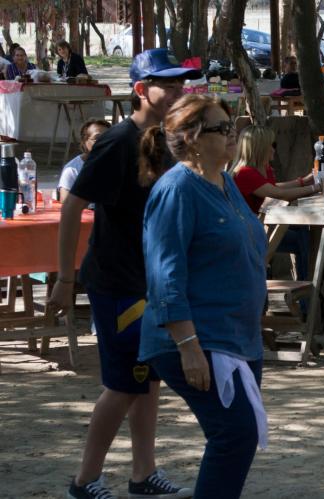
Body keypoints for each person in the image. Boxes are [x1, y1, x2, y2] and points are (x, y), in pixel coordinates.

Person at [47, 47, 198, 499]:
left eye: (180, 84)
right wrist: (65, 277)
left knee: (146, 379)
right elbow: (72, 206)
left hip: (148, 281)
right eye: (167, 84)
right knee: (122, 385)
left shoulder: (166, 142)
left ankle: (142, 473)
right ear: (140, 90)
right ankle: (85, 479)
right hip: (117, 283)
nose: (177, 91)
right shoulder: (117, 141)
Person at [139, 94, 266, 499]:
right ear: (191, 139)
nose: (233, 136)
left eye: (232, 127)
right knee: (234, 435)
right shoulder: (176, 189)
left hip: (237, 338)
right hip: (197, 339)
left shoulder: (226, 181)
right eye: (221, 129)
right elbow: (165, 273)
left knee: (237, 438)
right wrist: (189, 345)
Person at [231, 125, 317, 280]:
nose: (274, 148)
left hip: (263, 226)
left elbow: (271, 188)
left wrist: (303, 181)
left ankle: (306, 286)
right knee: (303, 240)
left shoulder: (263, 168)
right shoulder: (245, 173)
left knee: (303, 232)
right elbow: (279, 194)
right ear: (260, 148)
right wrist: (315, 188)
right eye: (272, 144)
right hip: (250, 235)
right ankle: (307, 292)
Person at [59, 119, 110, 201]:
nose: (104, 141)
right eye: (97, 138)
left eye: (108, 137)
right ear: (84, 141)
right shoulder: (72, 169)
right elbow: (65, 201)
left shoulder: (119, 164)